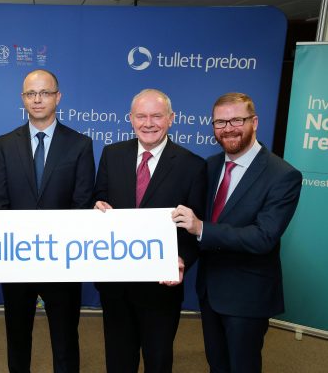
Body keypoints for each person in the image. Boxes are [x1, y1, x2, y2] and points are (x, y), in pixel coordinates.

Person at [172, 92, 302, 373]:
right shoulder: (210, 166)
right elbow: (190, 221)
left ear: (254, 122)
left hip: (248, 296)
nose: (228, 128)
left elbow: (263, 237)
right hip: (210, 291)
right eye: (220, 122)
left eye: (236, 120)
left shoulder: (283, 175)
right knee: (217, 365)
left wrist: (202, 228)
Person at [93, 89, 206, 373]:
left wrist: (182, 260)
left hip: (160, 288)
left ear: (171, 119)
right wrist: (95, 208)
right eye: (141, 116)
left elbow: (196, 227)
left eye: (157, 116)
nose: (148, 123)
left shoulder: (192, 165)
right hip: (116, 283)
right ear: (130, 119)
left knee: (158, 362)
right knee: (118, 361)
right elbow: (97, 202)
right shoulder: (112, 154)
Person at [0, 69, 95, 373]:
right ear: (22, 98)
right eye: (30, 94)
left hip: (62, 262)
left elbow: (82, 203)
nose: (37, 99)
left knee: (65, 340)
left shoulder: (80, 144)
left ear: (58, 97)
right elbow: (0, 202)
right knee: (17, 338)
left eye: (45, 93)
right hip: (17, 260)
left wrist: (57, 246)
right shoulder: (5, 143)